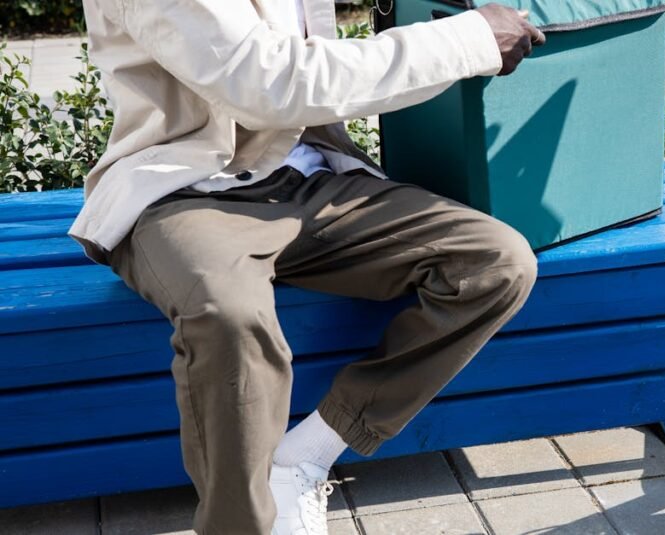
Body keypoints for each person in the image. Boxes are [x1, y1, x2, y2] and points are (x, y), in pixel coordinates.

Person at [72, 0, 546, 532]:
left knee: (494, 263)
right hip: (186, 188)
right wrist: (471, 39)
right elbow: (267, 83)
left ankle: (307, 454)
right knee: (228, 314)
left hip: (312, 176)